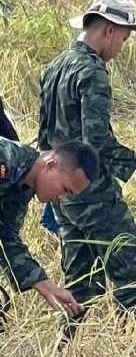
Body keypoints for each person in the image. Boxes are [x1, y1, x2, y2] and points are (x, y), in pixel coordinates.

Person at [38, 0, 136, 339]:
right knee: (134, 281)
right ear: (109, 30)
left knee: (80, 283)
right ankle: (134, 354)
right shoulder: (92, 72)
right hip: (93, 195)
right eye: (124, 38)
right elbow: (97, 141)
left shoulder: (56, 66)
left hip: (63, 195)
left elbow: (44, 135)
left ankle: (68, 349)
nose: (122, 48)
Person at [0, 139, 98, 332]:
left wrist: (48, 288)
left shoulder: (22, 188)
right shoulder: (5, 158)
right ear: (51, 165)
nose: (62, 198)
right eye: (65, 189)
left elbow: (5, 237)